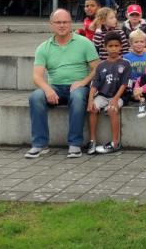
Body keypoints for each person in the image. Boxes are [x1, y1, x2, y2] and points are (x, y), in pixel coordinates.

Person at [25, 9, 99, 159]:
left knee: (78, 97)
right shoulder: (43, 48)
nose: (62, 25)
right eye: (58, 22)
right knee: (35, 97)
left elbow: (97, 69)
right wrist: (47, 89)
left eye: (65, 22)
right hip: (55, 88)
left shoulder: (85, 43)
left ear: (71, 23)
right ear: (51, 24)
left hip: (78, 87)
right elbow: (37, 76)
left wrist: (83, 82)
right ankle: (40, 144)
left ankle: (75, 144)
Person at [86, 31, 130, 155]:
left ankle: (115, 143)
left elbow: (124, 84)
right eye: (110, 46)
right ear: (105, 47)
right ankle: (92, 140)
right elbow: (95, 85)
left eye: (116, 46)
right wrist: (90, 100)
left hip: (119, 96)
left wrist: (115, 99)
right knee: (93, 108)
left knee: (111, 109)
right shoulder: (101, 65)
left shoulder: (125, 64)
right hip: (103, 95)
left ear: (121, 47)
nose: (114, 49)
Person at [123, 29, 146, 106]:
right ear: (130, 43)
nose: (139, 44)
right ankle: (135, 96)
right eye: (136, 42)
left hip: (143, 83)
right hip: (131, 83)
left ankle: (139, 96)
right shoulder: (126, 57)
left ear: (145, 43)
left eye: (141, 42)